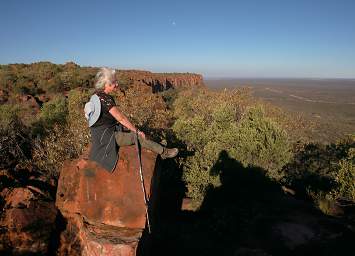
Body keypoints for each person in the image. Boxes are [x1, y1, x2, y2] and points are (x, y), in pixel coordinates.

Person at [84, 67, 178, 172]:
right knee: (137, 136)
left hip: (99, 135)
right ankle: (164, 152)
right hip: (108, 136)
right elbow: (120, 118)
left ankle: (157, 145)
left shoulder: (95, 96)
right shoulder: (106, 99)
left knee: (138, 130)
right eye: (114, 82)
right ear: (106, 84)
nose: (117, 84)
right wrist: (136, 131)